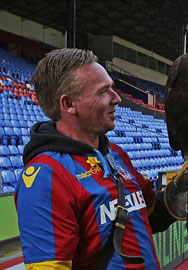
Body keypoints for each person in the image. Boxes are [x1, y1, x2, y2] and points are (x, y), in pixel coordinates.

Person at [15, 48, 176, 269]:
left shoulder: (116, 153)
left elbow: (148, 214)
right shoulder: (46, 176)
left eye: (113, 88)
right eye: (103, 92)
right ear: (69, 104)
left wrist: (187, 191)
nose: (117, 98)